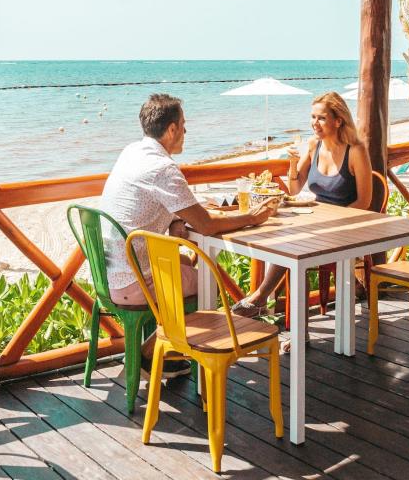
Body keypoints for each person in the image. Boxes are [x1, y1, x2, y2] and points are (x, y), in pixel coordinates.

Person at [101, 93, 278, 376]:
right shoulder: (162, 168)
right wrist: (253, 217)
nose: (186, 131)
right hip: (133, 282)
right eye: (183, 125)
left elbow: (151, 202)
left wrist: (174, 221)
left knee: (185, 263)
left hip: (110, 274)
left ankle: (165, 352)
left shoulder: (132, 152)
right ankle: (167, 356)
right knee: (210, 279)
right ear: (171, 129)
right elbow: (206, 225)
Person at [230, 91, 373, 318]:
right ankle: (293, 322)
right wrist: (294, 162)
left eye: (322, 118)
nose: (315, 123)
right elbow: (295, 189)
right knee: (287, 245)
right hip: (316, 222)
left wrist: (332, 221)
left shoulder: (356, 151)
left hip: (347, 225)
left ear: (338, 120)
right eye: (313, 117)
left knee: (294, 251)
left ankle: (261, 299)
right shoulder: (314, 144)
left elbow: (364, 201)